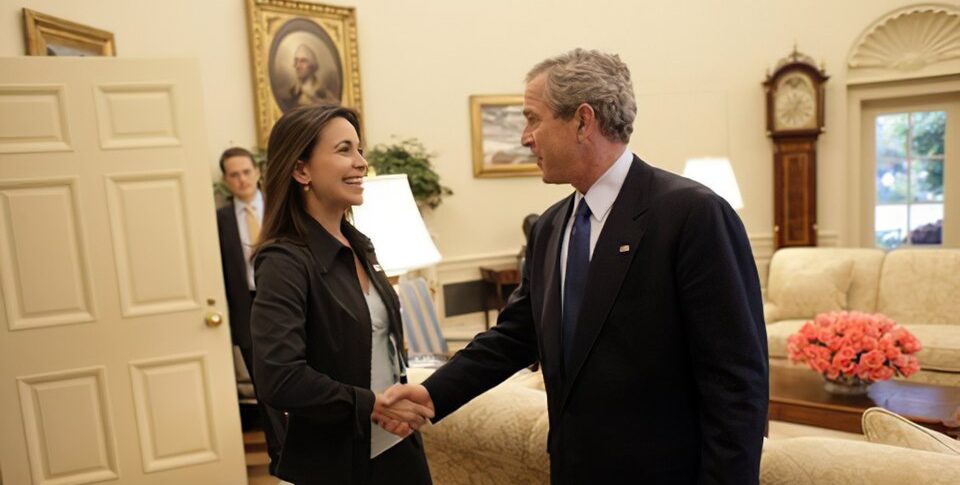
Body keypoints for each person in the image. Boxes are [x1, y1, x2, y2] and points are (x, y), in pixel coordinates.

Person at [384, 49, 768, 484]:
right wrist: (432, 394)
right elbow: (515, 336)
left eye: (533, 119)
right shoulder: (550, 227)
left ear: (583, 121)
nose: (525, 137)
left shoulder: (693, 215)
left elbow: (737, 384)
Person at [250, 105, 433, 485]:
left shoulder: (360, 245)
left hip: (398, 448)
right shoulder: (284, 260)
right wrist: (368, 404)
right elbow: (279, 378)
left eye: (360, 150)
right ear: (301, 170)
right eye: (344, 150)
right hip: (337, 463)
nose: (361, 162)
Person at [215, 147, 286, 475]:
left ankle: (310, 447)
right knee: (264, 386)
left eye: (246, 171)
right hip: (247, 308)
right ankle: (280, 455)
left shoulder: (280, 207)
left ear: (257, 172)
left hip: (286, 302)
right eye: (234, 174)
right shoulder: (222, 220)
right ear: (227, 180)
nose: (241, 179)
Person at [286, 44, 340, 110]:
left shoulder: (322, 93)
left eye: (303, 61)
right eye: (296, 61)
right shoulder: (292, 93)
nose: (298, 66)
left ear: (312, 65)